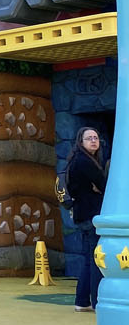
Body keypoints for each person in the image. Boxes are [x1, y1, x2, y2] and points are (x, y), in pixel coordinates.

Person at [66, 127, 107, 312]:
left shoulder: (80, 160)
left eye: (95, 138)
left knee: (89, 259)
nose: (93, 141)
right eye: (89, 138)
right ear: (80, 142)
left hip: (84, 214)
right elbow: (104, 184)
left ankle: (82, 301)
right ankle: (96, 301)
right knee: (95, 258)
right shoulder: (84, 161)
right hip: (90, 215)